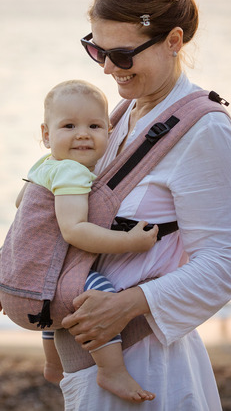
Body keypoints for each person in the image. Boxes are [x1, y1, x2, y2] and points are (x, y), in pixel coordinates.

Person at [0, 0, 231, 409]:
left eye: (122, 53)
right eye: (96, 49)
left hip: (147, 363)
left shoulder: (205, 130)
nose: (108, 68)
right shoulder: (122, 112)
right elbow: (64, 204)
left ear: (173, 41)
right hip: (91, 361)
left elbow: (225, 263)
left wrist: (129, 304)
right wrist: (15, 265)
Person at [20, 79, 158, 403]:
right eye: (69, 125)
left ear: (109, 133)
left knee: (59, 299)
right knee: (98, 290)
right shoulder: (72, 173)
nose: (83, 133)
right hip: (48, 273)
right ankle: (111, 369)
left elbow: (21, 205)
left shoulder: (46, 165)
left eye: (94, 125)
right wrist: (130, 242)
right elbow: (74, 231)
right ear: (46, 135)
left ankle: (54, 363)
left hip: (35, 271)